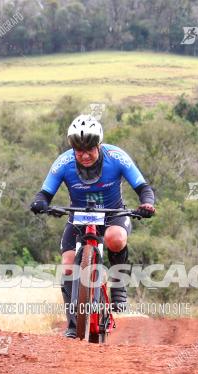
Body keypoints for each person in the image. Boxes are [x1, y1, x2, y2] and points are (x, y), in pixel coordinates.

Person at [30, 114, 156, 338]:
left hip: (112, 215)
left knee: (115, 238)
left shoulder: (116, 157)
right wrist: (40, 203)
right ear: (73, 149)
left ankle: (118, 289)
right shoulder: (64, 162)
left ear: (99, 145)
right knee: (68, 266)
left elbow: (143, 186)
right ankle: (72, 325)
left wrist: (147, 204)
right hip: (78, 217)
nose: (85, 156)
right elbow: (45, 192)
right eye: (80, 152)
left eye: (90, 150)